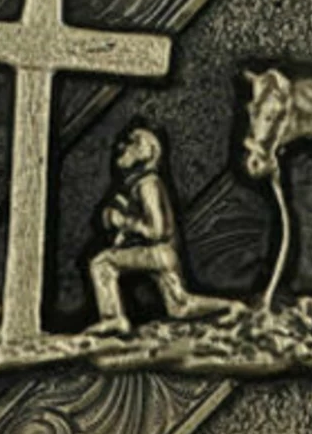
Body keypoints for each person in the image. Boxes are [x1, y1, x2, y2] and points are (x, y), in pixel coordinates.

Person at [88, 126, 223, 334]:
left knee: (102, 263)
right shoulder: (143, 184)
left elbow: (157, 230)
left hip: (157, 252)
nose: (122, 147)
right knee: (181, 306)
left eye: (131, 144)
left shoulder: (147, 185)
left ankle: (113, 318)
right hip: (164, 255)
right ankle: (231, 308)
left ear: (145, 153)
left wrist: (123, 221)